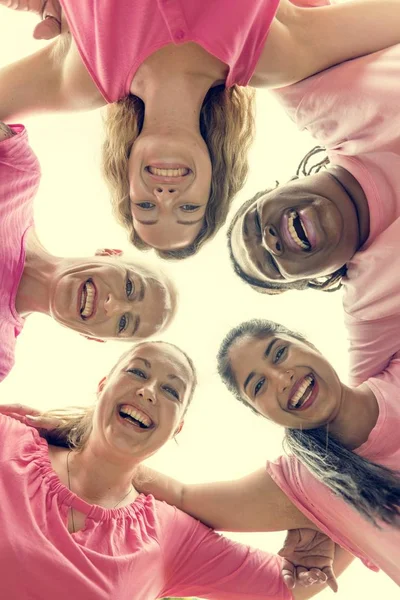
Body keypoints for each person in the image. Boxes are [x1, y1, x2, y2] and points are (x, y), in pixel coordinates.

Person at [3, 2, 400, 257]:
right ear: (215, 181)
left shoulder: (82, 78)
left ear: (125, 178)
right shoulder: (272, 56)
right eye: (187, 208)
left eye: (146, 207)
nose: (165, 196)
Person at [0, 340, 351, 599]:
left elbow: (285, 587)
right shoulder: (10, 440)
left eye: (171, 391)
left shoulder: (170, 536)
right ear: (103, 386)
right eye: (137, 371)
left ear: (177, 428)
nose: (149, 391)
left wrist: (327, 532)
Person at [0, 122, 176, 382]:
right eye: (129, 287)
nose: (112, 305)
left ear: (92, 337)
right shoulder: (18, 175)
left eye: (123, 323)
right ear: (108, 254)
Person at [228, 43, 400, 293]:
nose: (269, 240)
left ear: (280, 186)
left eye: (254, 222)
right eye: (272, 265)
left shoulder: (316, 99)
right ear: (317, 279)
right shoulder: (375, 308)